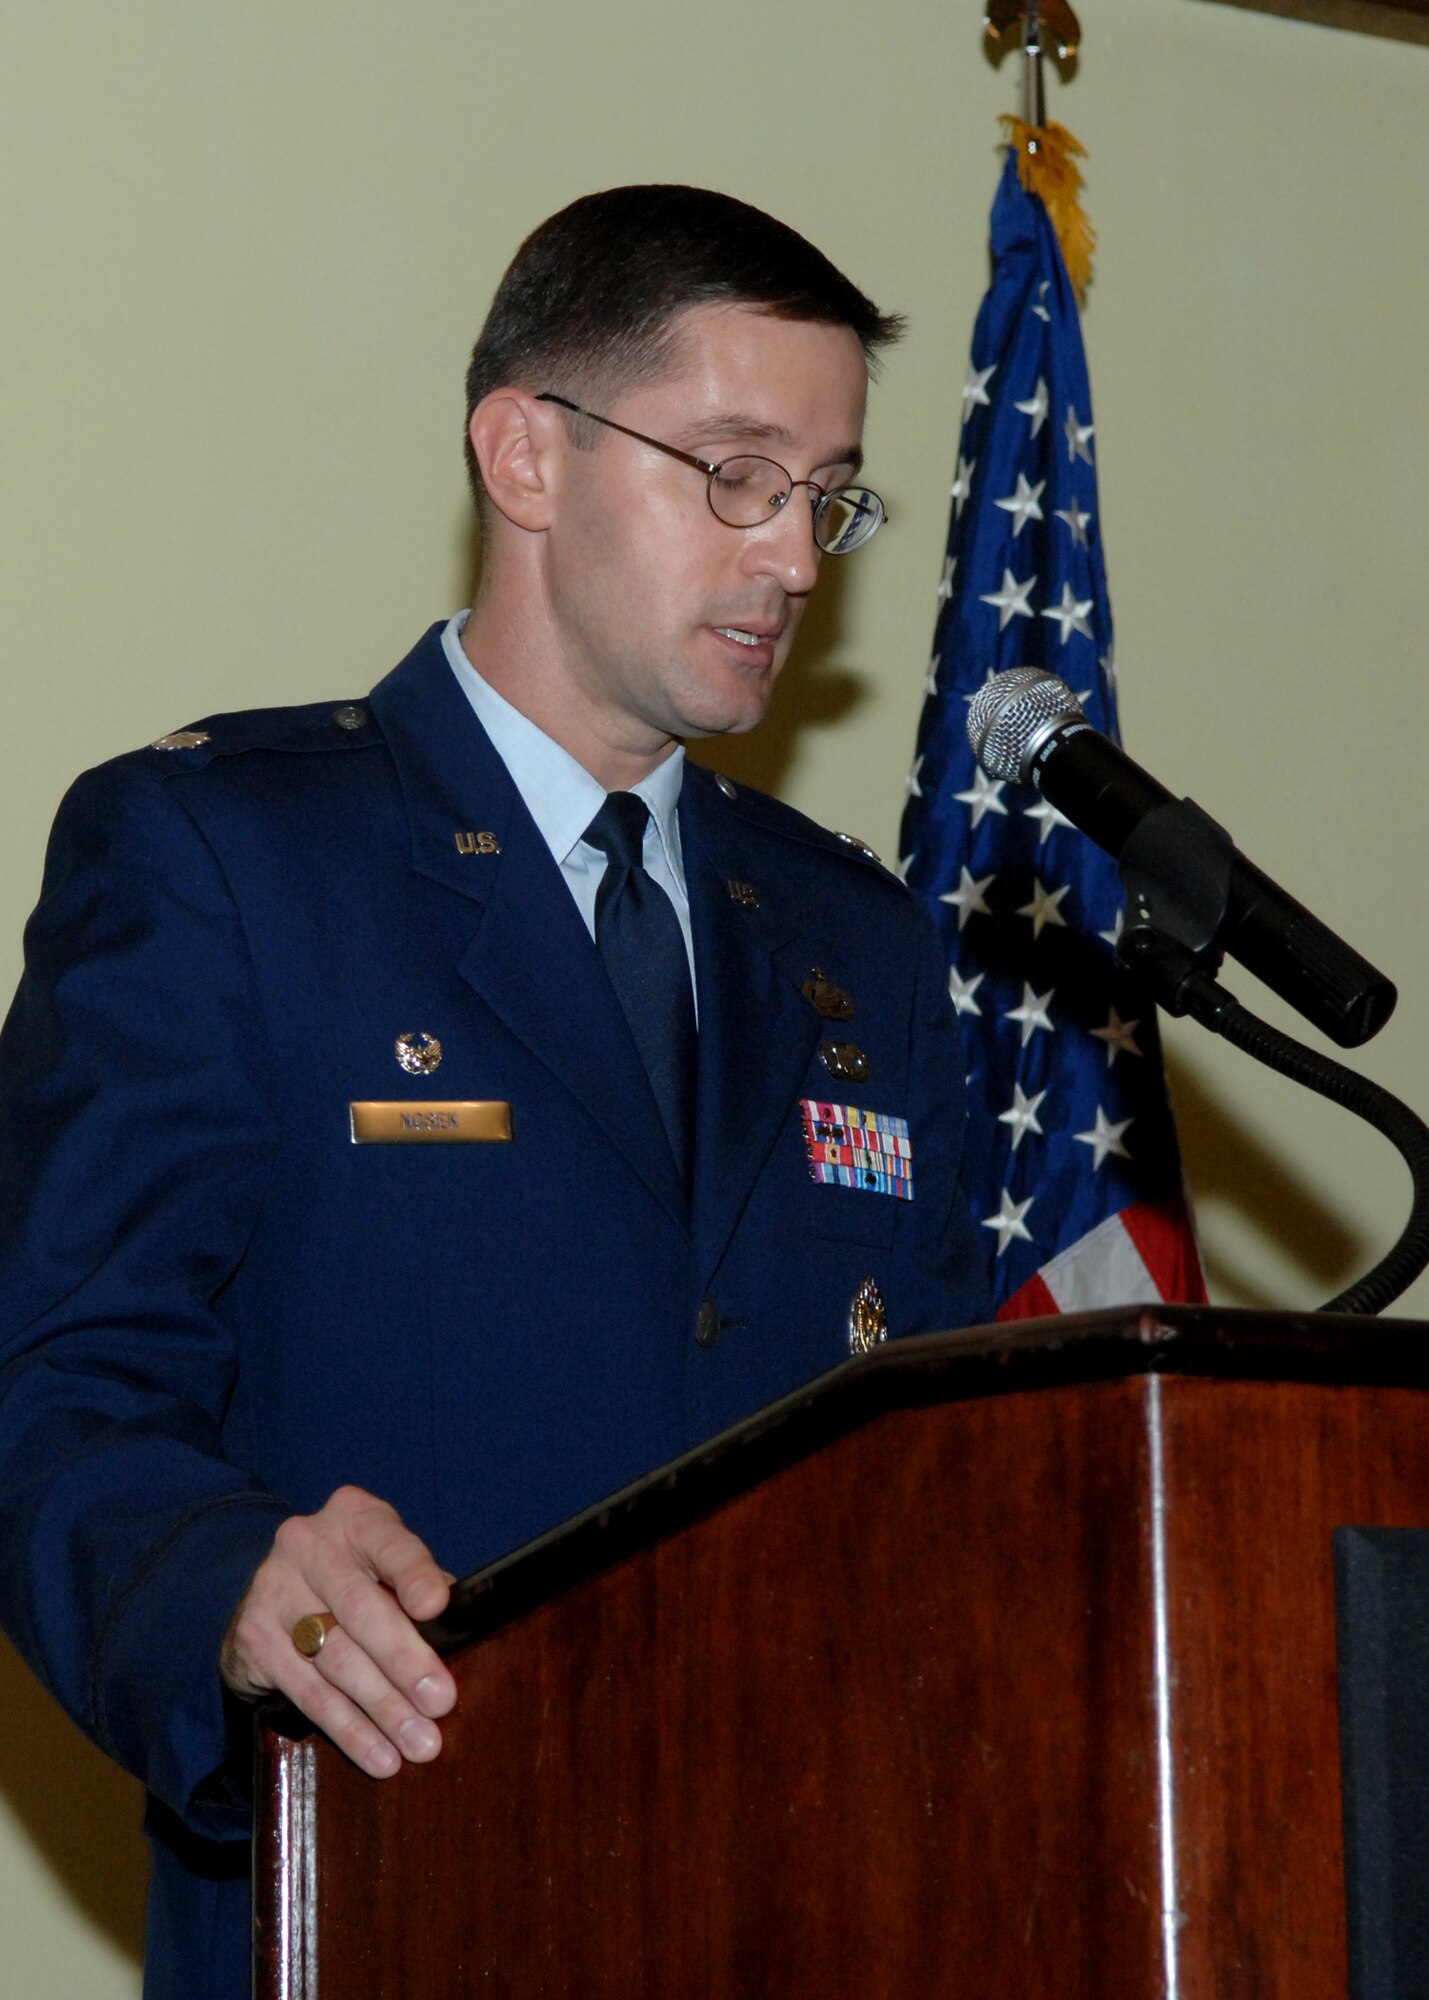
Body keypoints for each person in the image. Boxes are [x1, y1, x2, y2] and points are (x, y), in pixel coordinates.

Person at [0, 184, 990, 1998]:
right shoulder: (230, 860)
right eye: (732, 470)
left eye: (826, 495)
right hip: (399, 1888)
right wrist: (217, 1579)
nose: (792, 556)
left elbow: (942, 1479)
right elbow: (53, 1381)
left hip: (810, 1907)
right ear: (524, 453)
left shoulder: (857, 940)